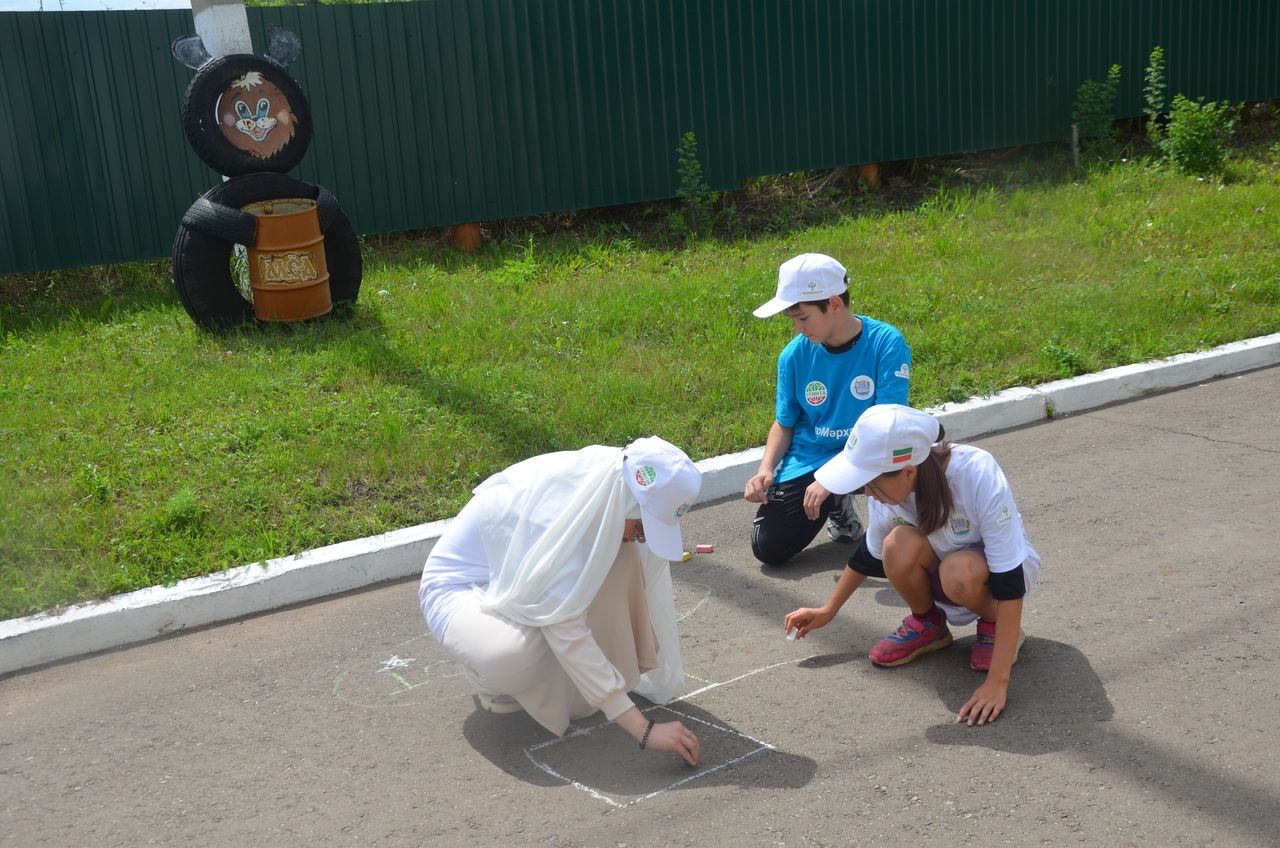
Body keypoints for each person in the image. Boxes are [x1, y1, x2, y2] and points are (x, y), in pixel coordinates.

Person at [418, 436, 702, 765]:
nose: (643, 535)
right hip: (461, 588)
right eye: (642, 525)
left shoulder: (608, 486)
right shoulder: (561, 513)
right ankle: (496, 678)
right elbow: (564, 626)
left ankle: (566, 688)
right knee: (510, 657)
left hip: (517, 577)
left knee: (623, 557)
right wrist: (643, 728)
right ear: (626, 502)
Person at [783, 404, 1041, 727]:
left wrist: (997, 682)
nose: (867, 492)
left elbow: (1009, 578)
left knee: (956, 572)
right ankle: (930, 625)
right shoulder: (884, 491)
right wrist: (828, 610)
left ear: (908, 471)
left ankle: (997, 626)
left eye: (872, 484)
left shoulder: (977, 473)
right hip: (949, 571)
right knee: (896, 545)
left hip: (991, 579)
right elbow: (869, 554)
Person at [744, 252, 911, 566]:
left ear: (834, 304)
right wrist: (765, 469)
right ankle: (837, 504)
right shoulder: (792, 356)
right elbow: (785, 423)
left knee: (909, 496)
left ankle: (842, 497)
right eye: (791, 319)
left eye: (803, 318)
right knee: (767, 546)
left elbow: (888, 425)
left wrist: (836, 479)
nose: (796, 328)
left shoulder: (886, 343)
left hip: (870, 454)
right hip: (813, 458)